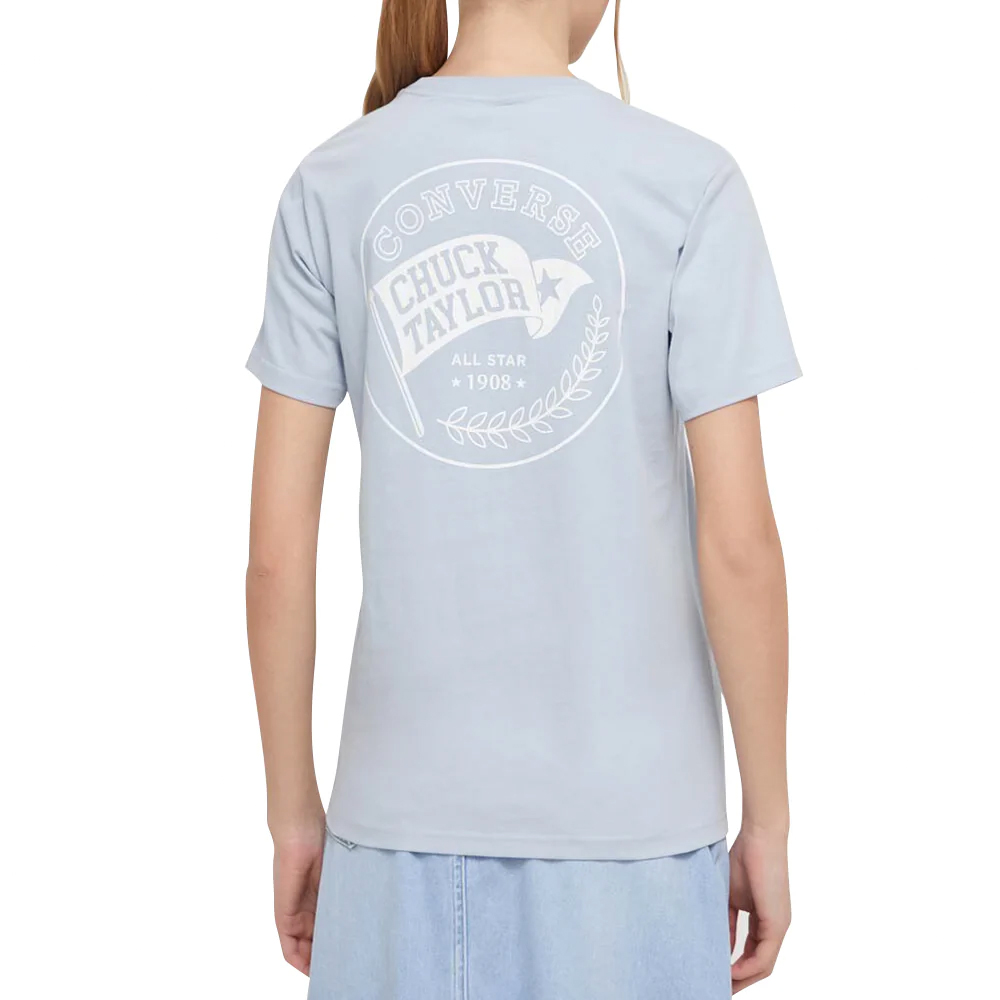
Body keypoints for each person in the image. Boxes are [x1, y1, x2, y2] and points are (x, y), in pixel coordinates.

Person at [246, 1, 799, 996]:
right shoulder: (687, 182)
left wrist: (292, 812)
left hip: (392, 834)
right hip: (634, 839)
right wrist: (769, 818)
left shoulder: (331, 181)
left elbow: (277, 556)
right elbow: (739, 546)